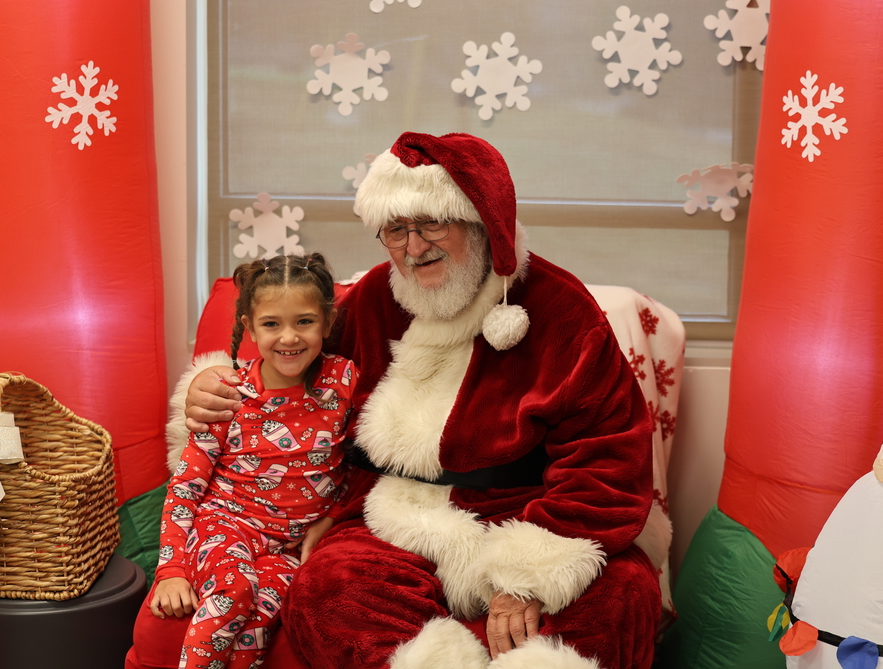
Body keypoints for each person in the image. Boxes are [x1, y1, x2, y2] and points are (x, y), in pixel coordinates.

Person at [180, 132, 664, 669]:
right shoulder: (371, 300)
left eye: (433, 222)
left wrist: (528, 577)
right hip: (389, 517)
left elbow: (608, 458)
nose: (413, 248)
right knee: (328, 588)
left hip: (526, 513)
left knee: (624, 596)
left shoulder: (563, 310)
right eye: (395, 230)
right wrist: (215, 385)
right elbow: (296, 379)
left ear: (483, 222)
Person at [146, 253, 358, 669]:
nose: (289, 337)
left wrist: (332, 516)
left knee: (260, 622)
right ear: (250, 328)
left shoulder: (345, 382)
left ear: (327, 324)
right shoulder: (228, 394)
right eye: (272, 324)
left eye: (304, 321)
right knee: (235, 591)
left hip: (288, 548)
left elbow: (359, 463)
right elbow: (185, 484)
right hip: (224, 525)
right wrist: (170, 570)